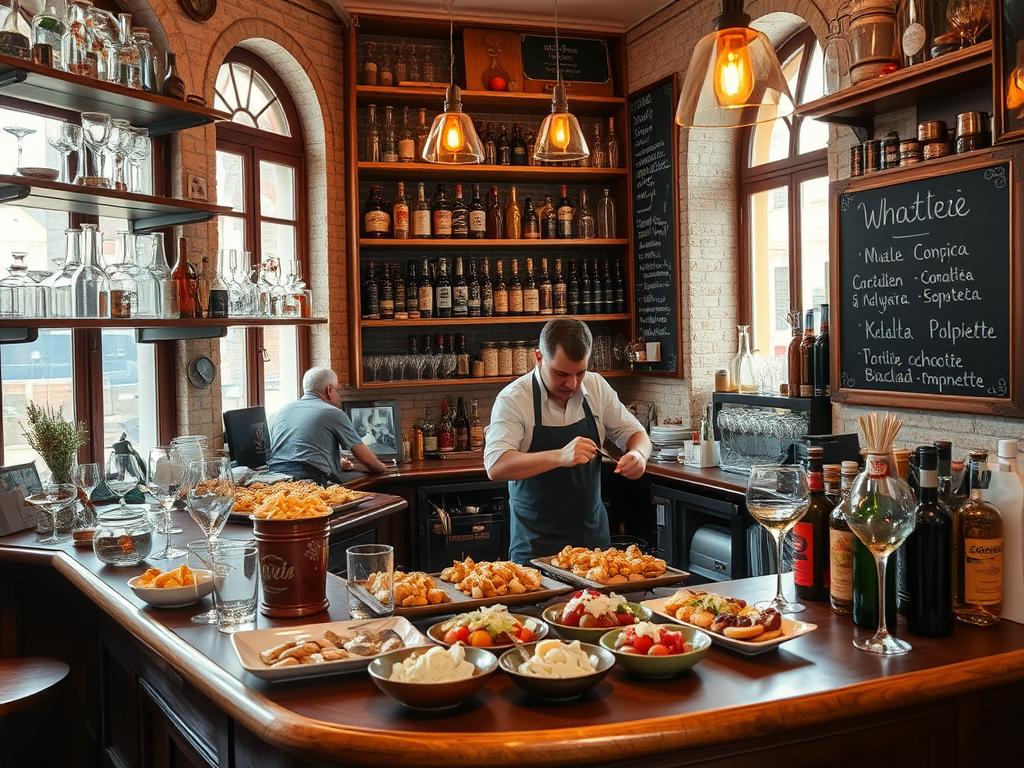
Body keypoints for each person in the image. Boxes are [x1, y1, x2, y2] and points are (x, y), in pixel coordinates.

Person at [485, 319, 652, 563]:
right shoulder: (513, 400)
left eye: (580, 373)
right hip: (536, 551)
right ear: (539, 357)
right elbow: (496, 465)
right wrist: (560, 456)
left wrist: (638, 455)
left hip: (594, 550)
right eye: (561, 374)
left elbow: (637, 434)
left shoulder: (596, 387)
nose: (572, 384)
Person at [267, 367, 390, 484]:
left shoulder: (280, 411)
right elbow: (365, 458)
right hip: (308, 478)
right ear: (329, 390)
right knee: (373, 479)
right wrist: (383, 469)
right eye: (338, 391)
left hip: (275, 478)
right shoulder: (332, 412)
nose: (338, 395)